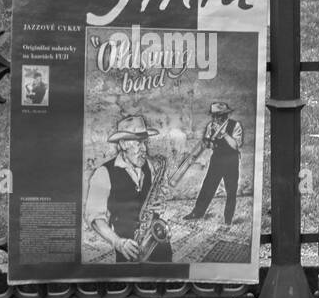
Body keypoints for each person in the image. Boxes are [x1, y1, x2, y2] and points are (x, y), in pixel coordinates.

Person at [85, 115, 173, 263]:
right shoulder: (103, 173)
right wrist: (118, 243)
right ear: (123, 144)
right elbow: (95, 219)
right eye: (138, 143)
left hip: (158, 240)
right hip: (129, 249)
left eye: (144, 142)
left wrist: (161, 203)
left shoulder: (149, 165)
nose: (144, 149)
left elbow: (158, 191)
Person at [183, 102, 244, 226]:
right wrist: (207, 143)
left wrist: (224, 134)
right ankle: (197, 212)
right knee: (208, 186)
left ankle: (228, 218)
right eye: (214, 116)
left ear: (225, 115)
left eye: (218, 116)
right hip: (217, 159)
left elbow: (236, 145)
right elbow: (210, 144)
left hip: (231, 160)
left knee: (231, 190)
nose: (215, 119)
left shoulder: (235, 125)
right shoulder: (211, 126)